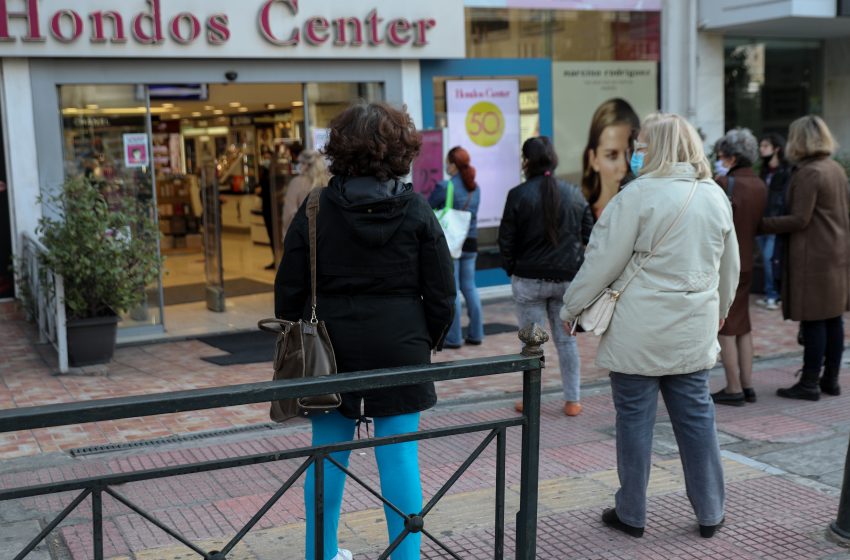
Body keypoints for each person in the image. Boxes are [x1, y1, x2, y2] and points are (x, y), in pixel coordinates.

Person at [274, 101, 456, 560]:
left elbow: (289, 286)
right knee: (398, 457)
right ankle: (405, 556)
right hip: (400, 344)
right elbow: (441, 291)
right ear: (400, 150)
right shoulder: (416, 209)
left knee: (327, 454)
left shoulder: (315, 208)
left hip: (330, 346)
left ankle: (323, 552)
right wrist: (428, 339)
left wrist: (298, 335)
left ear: (340, 149)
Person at [561, 113, 739, 539]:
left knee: (634, 423)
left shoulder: (636, 196)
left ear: (654, 149)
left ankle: (632, 513)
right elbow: (729, 268)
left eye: (640, 147)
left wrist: (572, 308)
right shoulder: (715, 196)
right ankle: (711, 510)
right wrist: (720, 311)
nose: (635, 154)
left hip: (637, 331)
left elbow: (601, 262)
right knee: (697, 421)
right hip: (692, 330)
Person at [499, 136, 593, 417]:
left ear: (526, 162)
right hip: (566, 280)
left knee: (531, 343)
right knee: (567, 341)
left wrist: (512, 268)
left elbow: (506, 240)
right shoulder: (574, 193)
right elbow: (590, 235)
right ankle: (572, 400)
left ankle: (532, 400)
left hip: (528, 280)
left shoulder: (518, 194)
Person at [760, 115, 850, 400]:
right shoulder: (834, 168)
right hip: (834, 254)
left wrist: (759, 224)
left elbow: (799, 219)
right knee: (833, 319)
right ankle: (829, 380)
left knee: (813, 321)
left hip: (813, 258)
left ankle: (810, 383)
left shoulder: (810, 172)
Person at [711, 129, 767, 406]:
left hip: (726, 263)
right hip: (749, 260)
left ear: (732, 156)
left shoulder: (723, 183)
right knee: (743, 326)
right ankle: (748, 385)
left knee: (725, 326)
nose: (719, 160)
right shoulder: (759, 183)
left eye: (721, 156)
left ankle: (733, 388)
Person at [428, 146, 483, 348]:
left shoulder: (445, 187)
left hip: (452, 242)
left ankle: (454, 337)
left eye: (447, 162)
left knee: (454, 289)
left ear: (454, 165)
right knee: (470, 287)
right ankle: (477, 333)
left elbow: (428, 207)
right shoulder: (475, 187)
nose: (445, 166)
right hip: (472, 241)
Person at [581, 98, 641, 220]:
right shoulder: (580, 219)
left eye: (632, 153)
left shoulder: (649, 216)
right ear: (594, 159)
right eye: (612, 156)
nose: (624, 167)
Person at [755, 133, 792, 310]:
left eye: (765, 146)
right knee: (765, 259)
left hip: (775, 221)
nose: (761, 149)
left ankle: (774, 295)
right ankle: (770, 292)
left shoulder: (786, 171)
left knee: (771, 259)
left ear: (776, 148)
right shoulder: (763, 171)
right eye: (761, 146)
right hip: (761, 221)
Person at [281, 150, 330, 243]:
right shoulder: (327, 182)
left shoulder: (297, 183)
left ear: (305, 165)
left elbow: (289, 215)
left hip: (302, 240)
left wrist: (286, 239)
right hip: (325, 239)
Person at [257, 148, 276, 268]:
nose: (266, 160)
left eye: (268, 157)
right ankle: (275, 258)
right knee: (270, 234)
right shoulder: (263, 172)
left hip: (274, 208)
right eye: (265, 157)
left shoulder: (275, 173)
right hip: (267, 208)